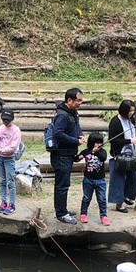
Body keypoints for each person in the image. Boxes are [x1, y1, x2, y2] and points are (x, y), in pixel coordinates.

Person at [50, 88, 86, 224]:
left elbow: (75, 128)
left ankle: (62, 209)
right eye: (78, 100)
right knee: (62, 185)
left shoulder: (73, 113)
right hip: (61, 155)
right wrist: (75, 141)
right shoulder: (62, 115)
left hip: (69, 154)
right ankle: (61, 214)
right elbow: (58, 133)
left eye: (81, 101)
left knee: (64, 184)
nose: (80, 103)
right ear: (69, 100)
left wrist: (80, 135)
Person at [108, 99, 136, 214]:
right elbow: (113, 140)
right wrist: (129, 140)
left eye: (133, 110)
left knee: (134, 178)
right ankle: (119, 204)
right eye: (130, 111)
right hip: (119, 154)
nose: (132, 113)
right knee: (118, 179)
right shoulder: (115, 122)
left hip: (131, 154)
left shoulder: (131, 120)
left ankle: (127, 196)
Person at [0, 109, 21, 215]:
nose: (5, 122)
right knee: (2, 181)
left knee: (10, 181)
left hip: (9, 158)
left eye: (7, 120)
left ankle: (12, 204)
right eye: (4, 120)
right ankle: (3, 202)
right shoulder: (0, 128)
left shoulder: (16, 130)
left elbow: (13, 147)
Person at [77, 132, 110, 225]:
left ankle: (104, 216)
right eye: (97, 142)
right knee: (86, 198)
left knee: (102, 199)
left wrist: (97, 151)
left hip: (100, 180)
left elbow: (103, 158)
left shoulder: (102, 151)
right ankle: (83, 214)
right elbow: (77, 158)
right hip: (88, 179)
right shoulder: (86, 152)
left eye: (101, 142)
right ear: (92, 142)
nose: (99, 144)